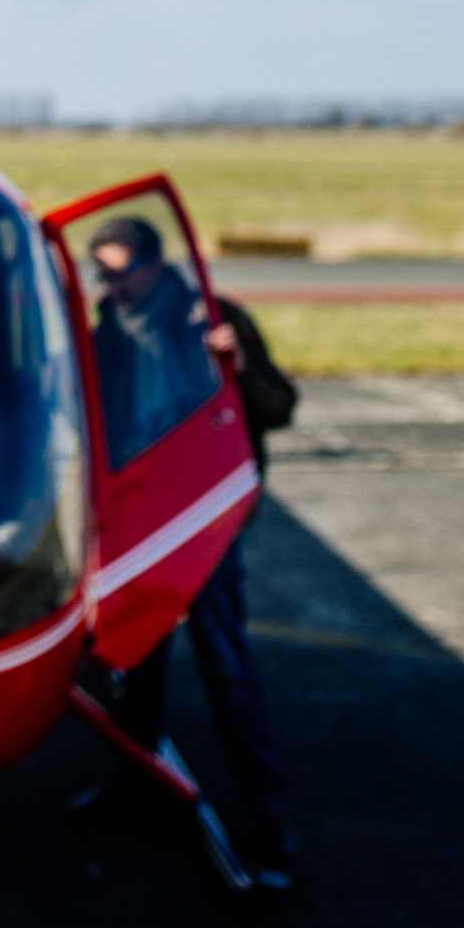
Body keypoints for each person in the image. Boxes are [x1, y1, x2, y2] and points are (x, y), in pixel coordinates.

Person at [87, 216, 299, 878]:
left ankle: (270, 822)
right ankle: (136, 781)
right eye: (102, 274)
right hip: (142, 524)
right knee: (135, 664)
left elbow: (279, 405)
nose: (113, 286)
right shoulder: (104, 332)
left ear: (155, 265)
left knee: (226, 667)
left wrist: (236, 369)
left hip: (206, 523)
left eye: (122, 272)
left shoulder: (214, 319)